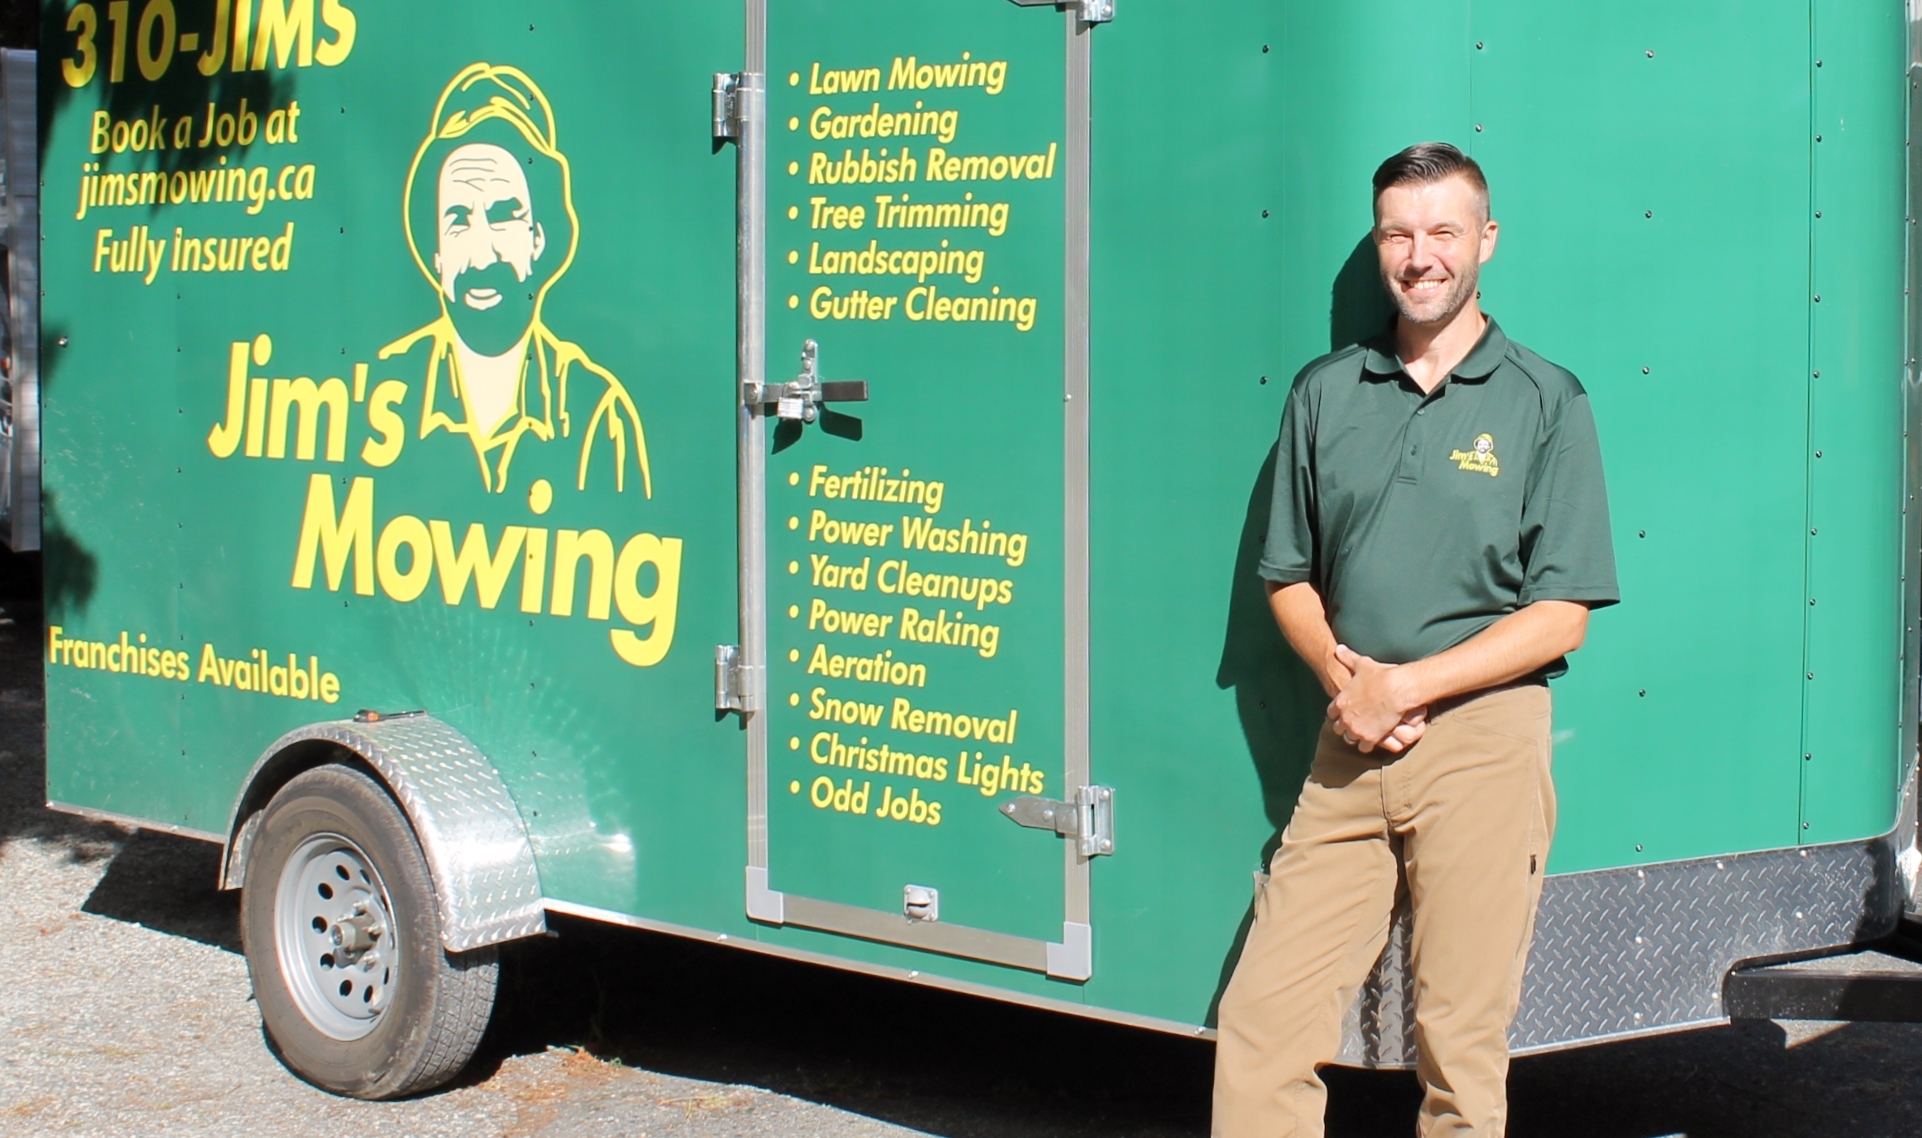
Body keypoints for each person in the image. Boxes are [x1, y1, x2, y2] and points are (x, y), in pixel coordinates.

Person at [1212, 142, 1619, 1137]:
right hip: (1348, 739)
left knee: (1457, 1043)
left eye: (1442, 229)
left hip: (1481, 744)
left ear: (1485, 240)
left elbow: (1559, 612)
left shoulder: (1542, 399)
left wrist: (1410, 686)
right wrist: (1346, 681)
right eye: (1398, 231)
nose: (1419, 253)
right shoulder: (1324, 392)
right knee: (1262, 1022)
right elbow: (1287, 576)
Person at [381, 62, 649, 497]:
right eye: (458, 221)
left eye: (505, 216)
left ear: (539, 238)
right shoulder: (384, 391)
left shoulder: (597, 413)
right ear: (436, 255)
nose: (482, 253)